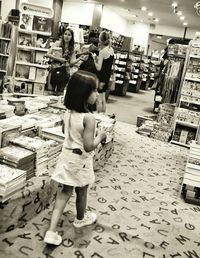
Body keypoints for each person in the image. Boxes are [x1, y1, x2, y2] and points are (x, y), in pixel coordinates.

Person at [44, 70, 107, 246]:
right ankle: (80, 218)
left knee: (65, 191)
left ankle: (51, 230)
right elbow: (88, 146)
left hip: (66, 155)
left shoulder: (68, 112)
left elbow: (65, 132)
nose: (97, 94)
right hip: (80, 160)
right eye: (94, 91)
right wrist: (100, 137)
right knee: (83, 189)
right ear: (83, 95)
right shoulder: (89, 117)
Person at [46, 28, 87, 95]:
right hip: (54, 70)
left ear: (72, 37)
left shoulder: (72, 48)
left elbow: (71, 63)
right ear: (63, 35)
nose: (66, 36)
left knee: (60, 94)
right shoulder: (57, 43)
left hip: (65, 72)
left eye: (69, 35)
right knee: (50, 93)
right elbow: (47, 54)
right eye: (65, 34)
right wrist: (59, 59)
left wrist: (79, 58)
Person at [93, 31, 114, 113]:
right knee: (103, 99)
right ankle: (103, 116)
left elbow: (98, 68)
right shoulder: (111, 49)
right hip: (107, 77)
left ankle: (99, 116)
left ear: (100, 40)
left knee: (99, 100)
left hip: (100, 78)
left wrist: (94, 60)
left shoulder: (102, 52)